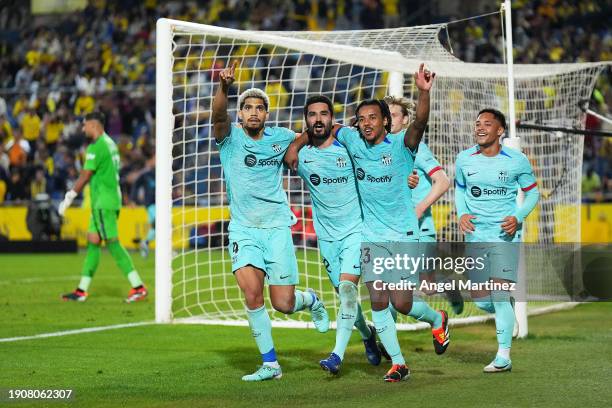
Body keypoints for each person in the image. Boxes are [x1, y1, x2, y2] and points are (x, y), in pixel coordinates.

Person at [286, 64, 448, 382]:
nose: (366, 123)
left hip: (402, 233)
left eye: (373, 117)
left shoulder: (403, 145)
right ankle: (399, 363)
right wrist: (297, 143)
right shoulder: (352, 140)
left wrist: (424, 92)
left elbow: (420, 123)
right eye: (361, 119)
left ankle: (437, 318)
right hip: (370, 235)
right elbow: (323, 128)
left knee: (402, 304)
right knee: (377, 301)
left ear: (385, 121)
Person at [212, 61, 329, 382]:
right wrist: (223, 88)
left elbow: (310, 134)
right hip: (243, 230)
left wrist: (294, 146)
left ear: (267, 114)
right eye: (247, 107)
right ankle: (270, 364)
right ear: (240, 114)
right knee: (252, 295)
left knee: (284, 304)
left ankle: (312, 300)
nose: (252, 112)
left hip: (277, 228)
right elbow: (218, 116)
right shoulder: (230, 138)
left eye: (259, 108)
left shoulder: (279, 136)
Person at [293, 95, 381, 375]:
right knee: (347, 299)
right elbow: (284, 157)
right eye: (312, 115)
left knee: (346, 291)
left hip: (356, 230)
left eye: (323, 114)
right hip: (327, 238)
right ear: (306, 120)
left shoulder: (349, 147)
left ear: (332, 118)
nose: (318, 119)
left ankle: (336, 355)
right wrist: (297, 142)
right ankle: (367, 334)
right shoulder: (302, 153)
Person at [455, 108, 539, 373]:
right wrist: (462, 213)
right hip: (476, 236)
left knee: (499, 294)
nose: (479, 128)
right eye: (477, 123)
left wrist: (518, 216)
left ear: (500, 131)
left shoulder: (517, 160)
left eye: (487, 124)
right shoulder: (463, 159)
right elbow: (459, 188)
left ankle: (503, 356)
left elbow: (533, 193)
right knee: (481, 299)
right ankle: (506, 308)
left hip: (505, 236)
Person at [384, 95, 463, 315]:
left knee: (422, 287)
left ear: (406, 119)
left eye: (394, 115)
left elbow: (443, 181)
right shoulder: (381, 150)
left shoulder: (416, 147)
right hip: (393, 229)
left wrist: (419, 208)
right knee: (396, 286)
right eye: (386, 115)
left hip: (420, 229)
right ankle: (387, 340)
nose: (389, 120)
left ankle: (449, 289)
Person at [59, 112, 147, 303]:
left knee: (112, 243)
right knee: (93, 241)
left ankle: (138, 287)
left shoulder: (96, 146)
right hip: (110, 199)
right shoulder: (110, 144)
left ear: (93, 125)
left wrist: (69, 197)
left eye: (84, 125)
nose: (83, 129)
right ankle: (81, 291)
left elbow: (85, 175)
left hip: (103, 203)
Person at [130, 155, 156, 258]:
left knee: (158, 227)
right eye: (154, 159)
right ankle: (168, 251)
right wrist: (133, 200)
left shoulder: (163, 173)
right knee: (159, 223)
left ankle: (144, 242)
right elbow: (136, 185)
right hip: (150, 204)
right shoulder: (145, 175)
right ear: (150, 161)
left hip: (163, 204)